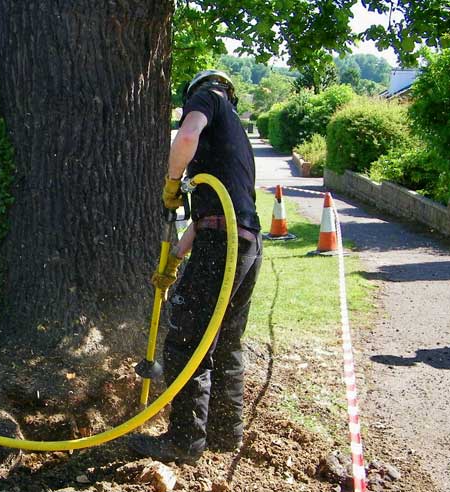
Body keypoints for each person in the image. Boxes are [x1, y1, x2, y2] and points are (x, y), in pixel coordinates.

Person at [129, 70, 264, 463]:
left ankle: (183, 442)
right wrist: (175, 259)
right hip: (246, 245)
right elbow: (210, 214)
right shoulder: (235, 135)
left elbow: (186, 136)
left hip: (221, 244)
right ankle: (225, 434)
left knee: (186, 341)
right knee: (226, 344)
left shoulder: (208, 98)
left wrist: (173, 182)